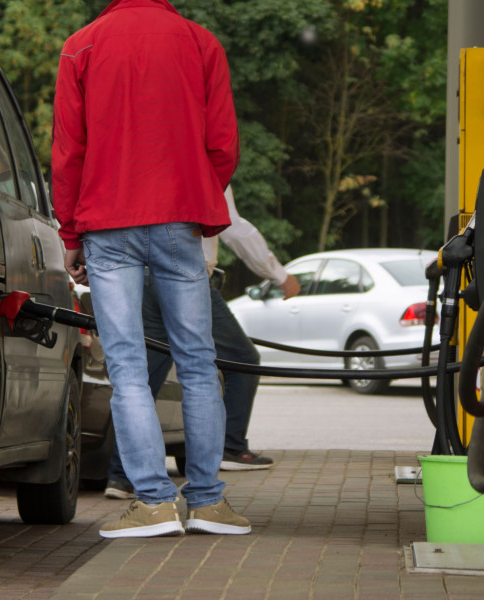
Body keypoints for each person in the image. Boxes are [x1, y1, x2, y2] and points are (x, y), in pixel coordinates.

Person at [53, 0, 247, 538]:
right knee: (199, 363)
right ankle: (208, 503)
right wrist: (197, 196)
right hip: (179, 217)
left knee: (127, 368)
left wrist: (70, 234)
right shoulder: (201, 42)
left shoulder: (81, 46)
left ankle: (154, 504)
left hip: (107, 221)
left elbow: (69, 150)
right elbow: (223, 144)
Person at [105, 186, 302, 500]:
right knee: (238, 361)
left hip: (142, 275)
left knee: (140, 380)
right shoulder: (202, 164)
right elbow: (232, 225)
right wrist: (278, 274)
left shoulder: (140, 163)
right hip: (186, 274)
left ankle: (121, 477)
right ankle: (229, 447)